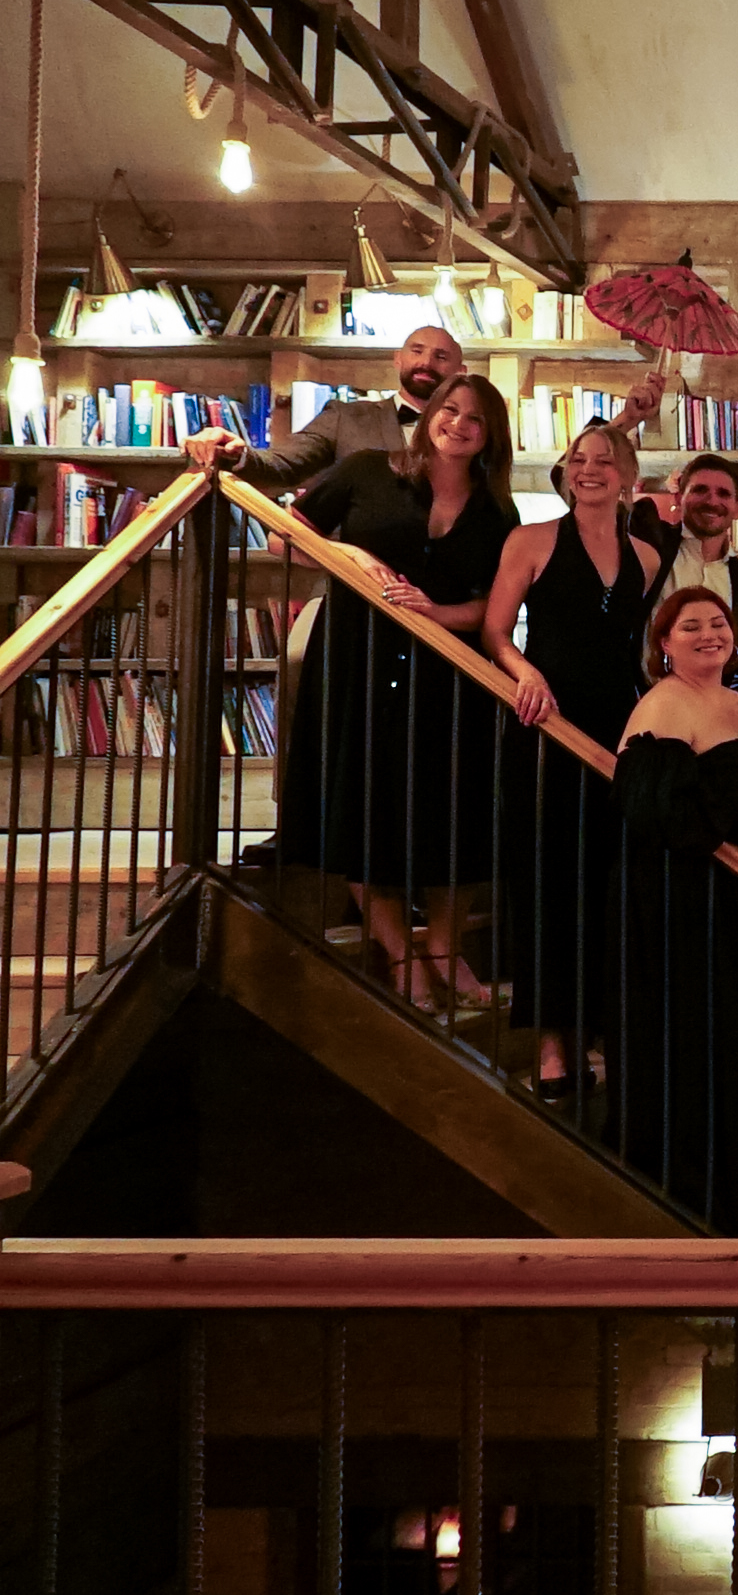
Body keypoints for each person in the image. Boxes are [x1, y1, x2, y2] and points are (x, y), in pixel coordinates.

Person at [281, 371, 517, 1006]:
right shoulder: (364, 470)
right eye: (451, 410)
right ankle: (400, 956)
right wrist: (351, 560)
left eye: (477, 418)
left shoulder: (498, 509)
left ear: (492, 435)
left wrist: (436, 616)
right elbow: (290, 534)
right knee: (359, 807)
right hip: (357, 656)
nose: (460, 424)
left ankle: (445, 949)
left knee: (454, 816)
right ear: (430, 413)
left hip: (448, 674)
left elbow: (493, 604)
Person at [613, 587, 738, 1235]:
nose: (707, 634)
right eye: (688, 626)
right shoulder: (662, 704)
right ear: (662, 644)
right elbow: (654, 815)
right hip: (689, 912)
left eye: (718, 622)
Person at [482, 422, 661, 1088]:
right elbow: (496, 631)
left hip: (618, 733)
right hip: (546, 728)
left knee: (610, 886)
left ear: (627, 477)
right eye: (578, 459)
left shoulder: (645, 556)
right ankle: (554, 1043)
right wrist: (523, 672)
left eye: (604, 461)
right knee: (548, 883)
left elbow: (640, 651)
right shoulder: (531, 540)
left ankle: (607, 1034)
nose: (589, 470)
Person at [185, 324, 468, 492]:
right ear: (398, 359)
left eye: (441, 356)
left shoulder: (473, 430)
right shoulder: (345, 417)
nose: (426, 363)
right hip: (351, 577)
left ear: (460, 372)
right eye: (416, 351)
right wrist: (237, 453)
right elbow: (283, 465)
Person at [628, 453, 738, 700]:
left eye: (724, 494)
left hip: (711, 718)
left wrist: (732, 709)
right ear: (678, 497)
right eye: (700, 490)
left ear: (737, 508)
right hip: (637, 705)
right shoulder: (649, 544)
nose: (712, 501)